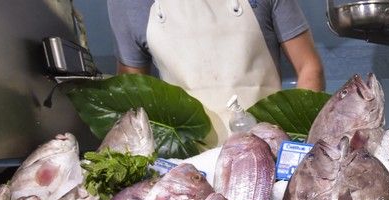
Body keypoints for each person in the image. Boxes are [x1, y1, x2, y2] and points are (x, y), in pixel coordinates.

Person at [108, 0, 325, 143]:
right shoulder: (127, 4)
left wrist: (295, 148)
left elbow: (309, 67)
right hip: (187, 168)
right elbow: (131, 98)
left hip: (269, 154)